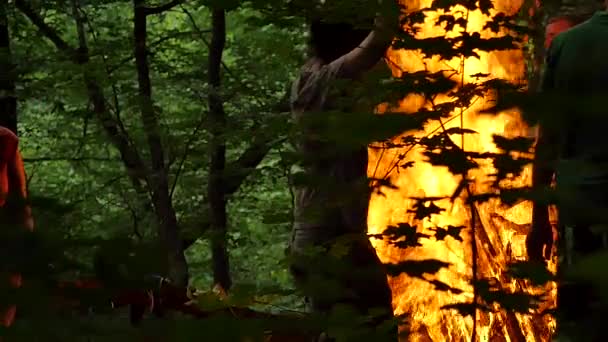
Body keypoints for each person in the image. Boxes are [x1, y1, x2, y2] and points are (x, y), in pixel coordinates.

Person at [288, 2, 399, 341]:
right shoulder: (321, 80)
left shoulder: (318, 78)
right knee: (376, 320)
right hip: (328, 240)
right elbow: (376, 43)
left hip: (325, 238)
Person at [528, 4, 608, 340]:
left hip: (581, 209)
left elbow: (548, 138)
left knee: (578, 322)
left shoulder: (568, 44)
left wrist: (539, 218)